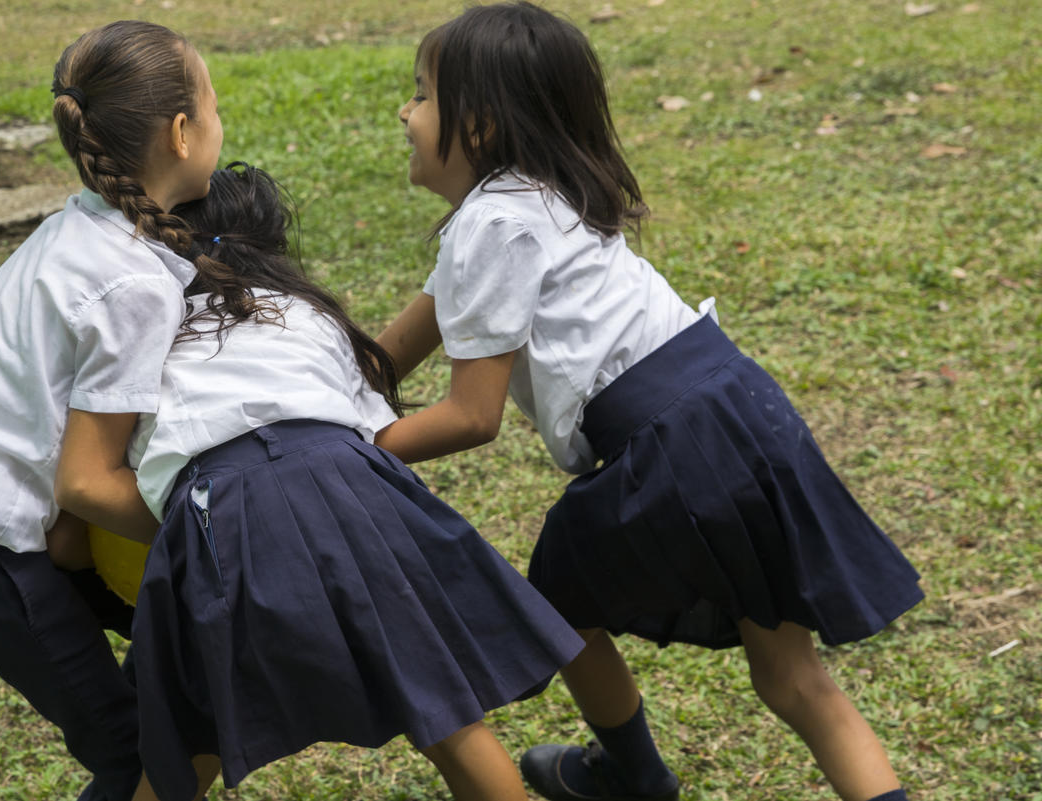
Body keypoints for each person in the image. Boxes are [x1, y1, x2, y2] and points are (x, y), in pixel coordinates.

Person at [374, 4, 923, 801]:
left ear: (483, 125)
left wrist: (361, 446)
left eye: (422, 94)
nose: (406, 110)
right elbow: (398, 347)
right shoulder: (544, 192)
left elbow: (471, 415)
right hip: (740, 409)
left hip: (668, 444)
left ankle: (634, 772)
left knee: (551, 612)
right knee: (795, 679)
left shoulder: (491, 222)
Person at [124, 162, 587, 801]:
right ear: (273, 244)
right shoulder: (308, 316)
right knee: (448, 714)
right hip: (347, 488)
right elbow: (372, 430)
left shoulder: (140, 335)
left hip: (214, 513)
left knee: (190, 741)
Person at [0, 20, 223, 801]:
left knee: (178, 669)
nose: (217, 120)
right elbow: (82, 482)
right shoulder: (129, 281)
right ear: (180, 133)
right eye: (213, 104)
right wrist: (217, 533)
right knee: (134, 751)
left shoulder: (82, 228)